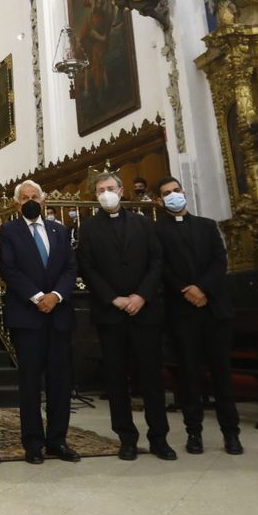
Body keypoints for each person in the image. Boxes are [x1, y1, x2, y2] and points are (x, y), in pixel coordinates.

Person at [78, 171, 174, 460]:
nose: (105, 193)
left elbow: (157, 261)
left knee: (151, 378)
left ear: (121, 191)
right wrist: (113, 298)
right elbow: (87, 268)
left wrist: (140, 295)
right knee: (116, 379)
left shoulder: (144, 224)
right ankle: (127, 438)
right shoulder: (89, 228)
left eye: (110, 188)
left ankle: (159, 438)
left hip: (144, 311)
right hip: (111, 314)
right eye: (100, 190)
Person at [158, 177, 243, 455]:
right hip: (182, 311)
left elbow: (220, 260)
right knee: (189, 376)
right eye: (166, 194)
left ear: (184, 193)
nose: (173, 196)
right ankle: (194, 432)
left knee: (221, 374)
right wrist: (187, 290)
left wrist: (202, 288)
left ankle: (231, 433)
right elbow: (162, 268)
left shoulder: (207, 225)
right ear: (160, 201)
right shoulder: (157, 231)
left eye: (176, 191)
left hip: (214, 308)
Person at [0, 180, 79, 464]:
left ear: (43, 202)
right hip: (27, 316)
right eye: (25, 197)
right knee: (30, 383)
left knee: (60, 381)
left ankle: (58, 440)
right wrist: (37, 297)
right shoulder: (9, 231)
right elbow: (9, 268)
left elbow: (70, 267)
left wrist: (55, 296)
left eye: (35, 196)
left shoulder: (60, 230)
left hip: (58, 315)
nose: (30, 201)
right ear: (17, 203)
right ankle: (33, 442)